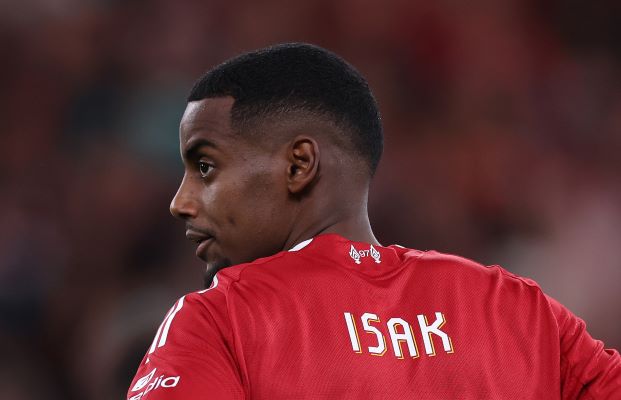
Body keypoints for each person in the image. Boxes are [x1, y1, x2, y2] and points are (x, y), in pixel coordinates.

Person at [127, 43, 620, 399]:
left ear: (299, 165)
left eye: (205, 167)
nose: (181, 202)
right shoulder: (520, 312)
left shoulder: (221, 320)